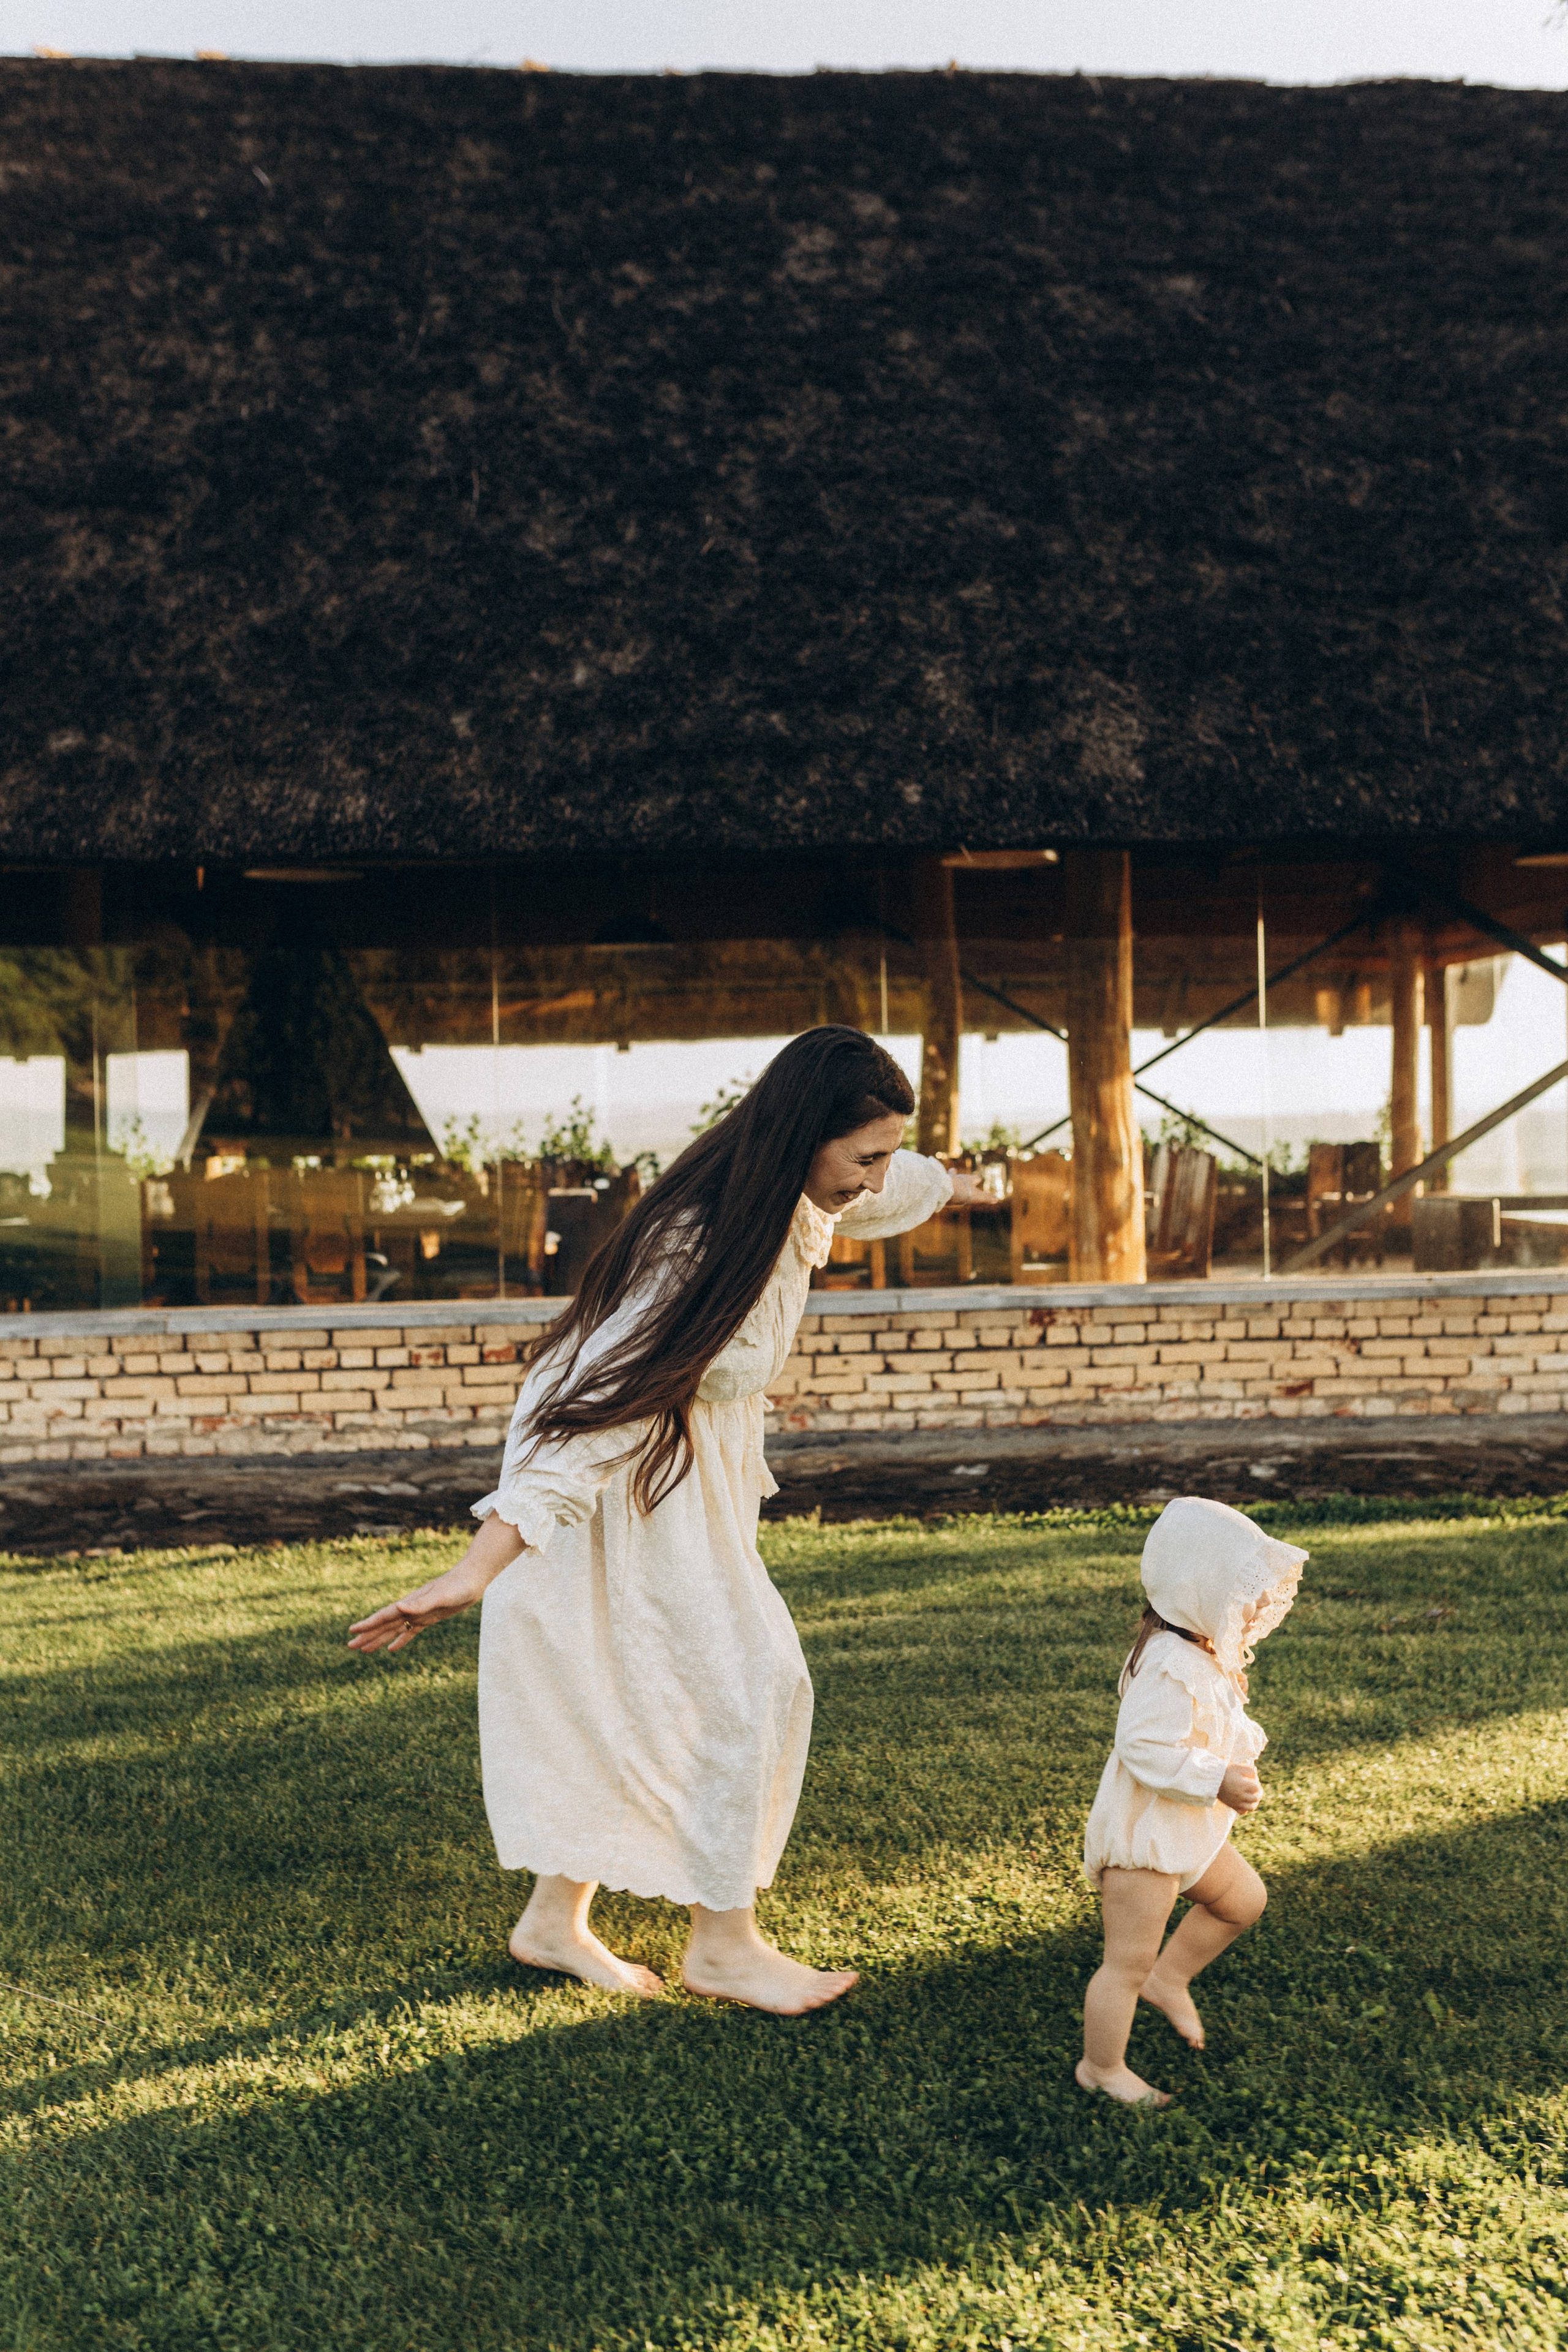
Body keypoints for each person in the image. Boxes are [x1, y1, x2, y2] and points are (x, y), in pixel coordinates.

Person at [349, 1027, 990, 2015]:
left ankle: (551, 1924)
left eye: (884, 1155)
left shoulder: (804, 1188)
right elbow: (600, 1411)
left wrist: (959, 1186)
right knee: (743, 1681)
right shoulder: (697, 1244)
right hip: (617, 1472)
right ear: (803, 1137)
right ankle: (724, 1947)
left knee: (643, 1684)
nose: (873, 1179)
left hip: (686, 1475)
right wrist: (480, 1568)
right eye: (862, 1155)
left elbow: (900, 1186)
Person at [1077, 1496, 1308, 2106]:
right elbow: (1142, 1745)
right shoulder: (1168, 1666)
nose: (1257, 1605)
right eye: (1243, 1593)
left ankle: (1169, 1977)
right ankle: (1101, 2068)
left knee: (1243, 1901)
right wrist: (1217, 1779)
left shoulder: (1200, 1652)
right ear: (1198, 1590)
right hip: (1145, 1842)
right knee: (1122, 1963)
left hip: (1184, 1829)